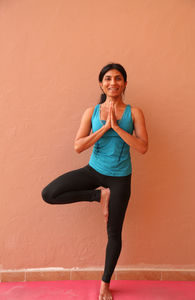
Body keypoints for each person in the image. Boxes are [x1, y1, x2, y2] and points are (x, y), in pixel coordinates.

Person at [41, 63, 148, 300]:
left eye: (118, 78)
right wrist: (104, 128)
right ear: (101, 84)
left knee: (114, 233)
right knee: (49, 193)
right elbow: (78, 146)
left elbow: (142, 148)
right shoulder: (91, 112)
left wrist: (117, 128)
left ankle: (105, 284)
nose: (113, 83)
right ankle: (99, 196)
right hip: (94, 171)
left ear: (125, 84)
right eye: (108, 78)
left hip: (121, 177)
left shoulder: (135, 112)